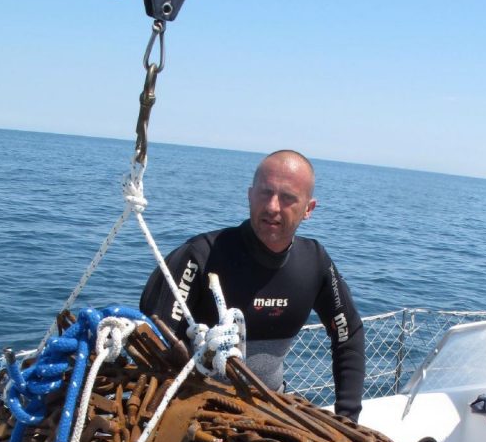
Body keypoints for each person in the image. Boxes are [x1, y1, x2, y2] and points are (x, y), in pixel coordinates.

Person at [140, 150, 365, 420]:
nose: (272, 206)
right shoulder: (200, 256)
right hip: (194, 410)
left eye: (288, 198)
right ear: (249, 194)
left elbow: (348, 334)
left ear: (308, 209)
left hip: (269, 410)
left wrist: (348, 418)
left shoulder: (315, 263)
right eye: (265, 192)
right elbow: (152, 341)